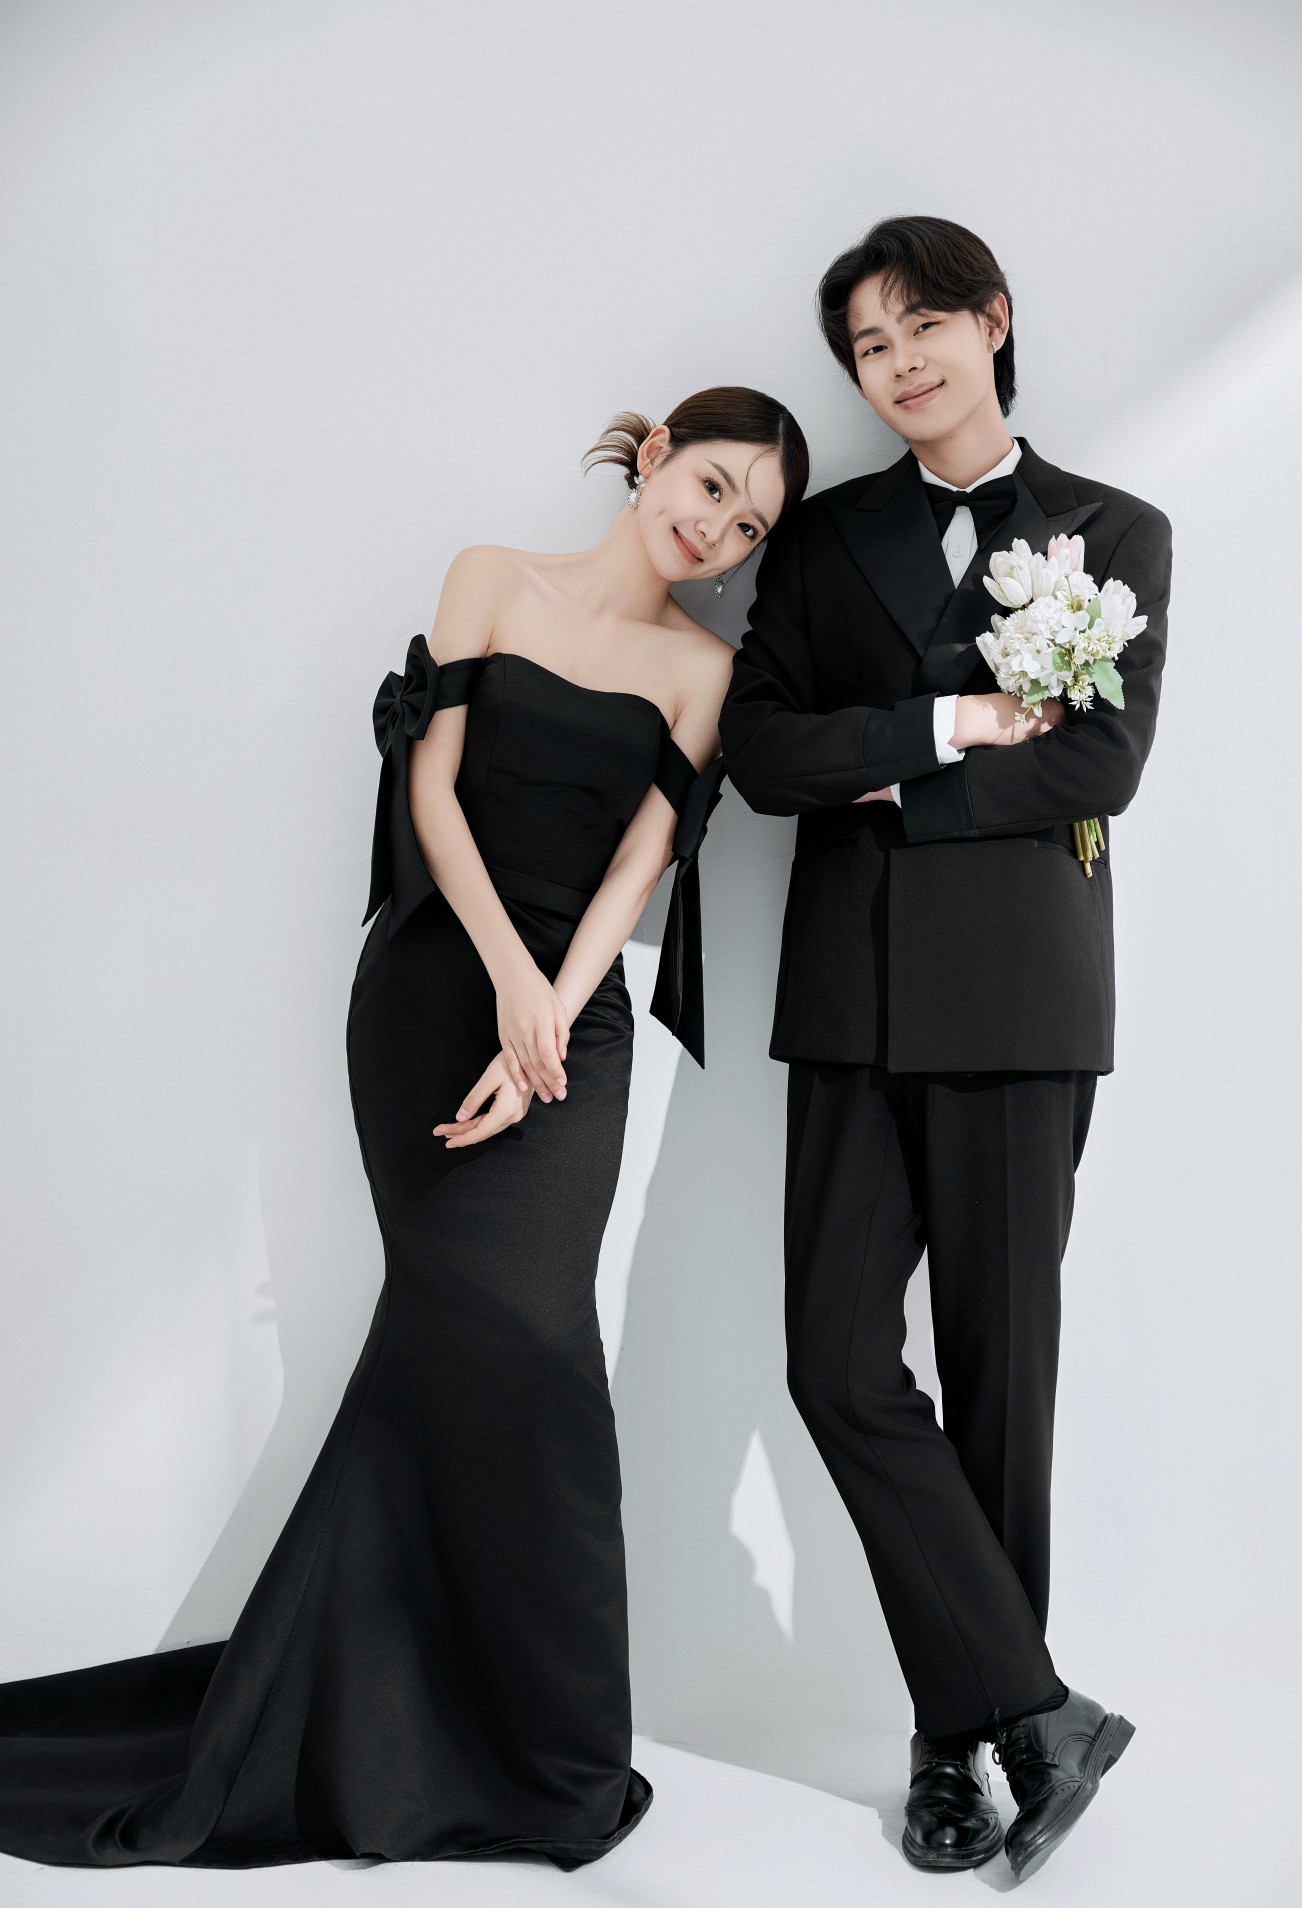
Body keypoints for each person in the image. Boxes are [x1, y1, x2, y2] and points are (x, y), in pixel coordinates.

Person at [0, 387, 808, 1871]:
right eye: (710, 486)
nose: (716, 531)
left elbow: (641, 870)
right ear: (652, 457)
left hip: (573, 1026)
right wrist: (507, 981)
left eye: (747, 525)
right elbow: (429, 792)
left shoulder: (706, 671)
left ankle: (506, 1744)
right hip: (439, 981)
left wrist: (553, 1012)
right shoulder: (490, 575)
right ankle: (451, 1737)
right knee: (471, 1332)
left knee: (532, 1346)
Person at [721, 217, 1171, 1884]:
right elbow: (763, 755)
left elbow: (1100, 767)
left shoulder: (1110, 531)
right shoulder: (821, 537)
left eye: (921, 324)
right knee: (833, 1361)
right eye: (867, 344)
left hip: (1019, 998)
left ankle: (954, 1743)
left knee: (998, 1376)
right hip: (848, 998)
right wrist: (944, 727)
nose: (897, 361)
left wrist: (892, 791)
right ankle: (1034, 1712)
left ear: (990, 322)